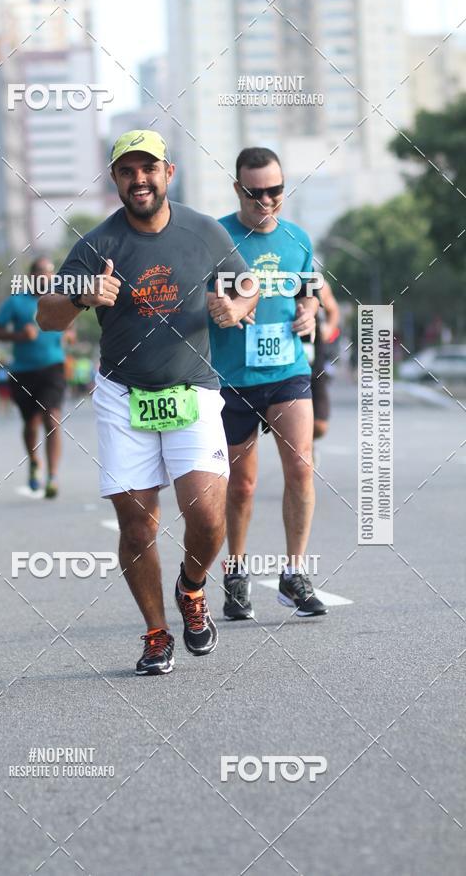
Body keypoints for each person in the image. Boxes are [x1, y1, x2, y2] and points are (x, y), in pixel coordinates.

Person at [37, 130, 255, 675]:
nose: (140, 180)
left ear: (168, 173)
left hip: (193, 390)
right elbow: (47, 315)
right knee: (138, 526)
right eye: (128, 171)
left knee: (207, 518)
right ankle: (157, 634)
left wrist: (235, 307)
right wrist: (83, 296)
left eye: (149, 169)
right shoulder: (97, 245)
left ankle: (193, 587)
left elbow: (247, 285)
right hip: (122, 396)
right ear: (114, 179)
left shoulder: (203, 232)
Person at [209, 147, 327, 619]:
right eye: (254, 192)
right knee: (242, 486)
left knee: (301, 468)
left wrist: (309, 315)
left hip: (288, 373)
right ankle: (236, 572)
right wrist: (229, 308)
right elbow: (200, 300)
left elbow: (311, 291)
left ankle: (293, 575)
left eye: (274, 190)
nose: (265, 201)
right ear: (238, 189)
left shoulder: (298, 239)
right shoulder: (216, 236)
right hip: (232, 379)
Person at [0, 257, 66, 499]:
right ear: (32, 276)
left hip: (52, 367)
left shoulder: (59, 299)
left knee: (52, 418)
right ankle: (34, 461)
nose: (46, 276)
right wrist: (19, 336)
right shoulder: (16, 302)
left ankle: (52, 476)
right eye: (41, 272)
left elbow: (69, 324)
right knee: (31, 423)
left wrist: (69, 334)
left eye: (50, 272)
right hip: (23, 371)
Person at [311, 279, 340, 444]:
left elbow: (333, 310)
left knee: (320, 426)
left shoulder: (317, 283)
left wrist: (328, 329)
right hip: (278, 363)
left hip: (314, 359)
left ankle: (307, 441)